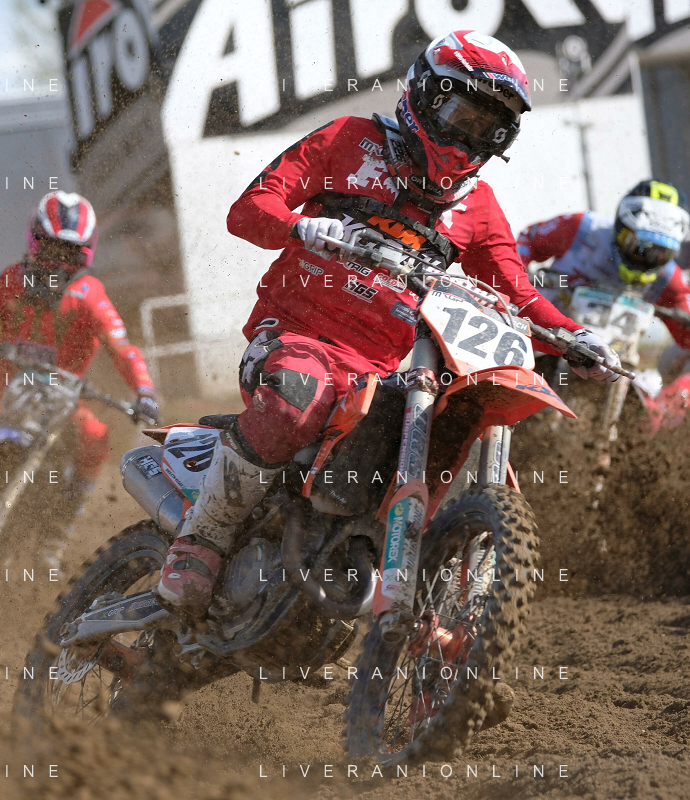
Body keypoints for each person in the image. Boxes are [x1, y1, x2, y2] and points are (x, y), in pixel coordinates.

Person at [155, 30, 621, 610]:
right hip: (293, 337)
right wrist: (301, 227)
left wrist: (575, 336)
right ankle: (201, 537)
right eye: (461, 114)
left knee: (436, 429)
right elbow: (249, 210)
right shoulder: (348, 140)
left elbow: (516, 290)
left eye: (489, 128)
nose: (470, 136)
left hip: (378, 370)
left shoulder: (476, 207)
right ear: (425, 94)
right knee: (299, 395)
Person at [0, 191, 159, 567]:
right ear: (34, 242)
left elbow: (123, 349)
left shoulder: (90, 295)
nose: (59, 263)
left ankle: (55, 536)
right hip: (3, 398)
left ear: (86, 254)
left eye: (69, 253)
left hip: (62, 403)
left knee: (95, 435)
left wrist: (145, 391)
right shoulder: (10, 280)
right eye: (52, 250)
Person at [517, 181, 690, 427]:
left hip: (615, 359)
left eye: (661, 252)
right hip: (541, 331)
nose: (646, 258)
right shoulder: (584, 228)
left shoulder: (668, 276)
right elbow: (525, 241)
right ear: (620, 228)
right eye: (640, 246)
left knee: (644, 419)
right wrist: (519, 277)